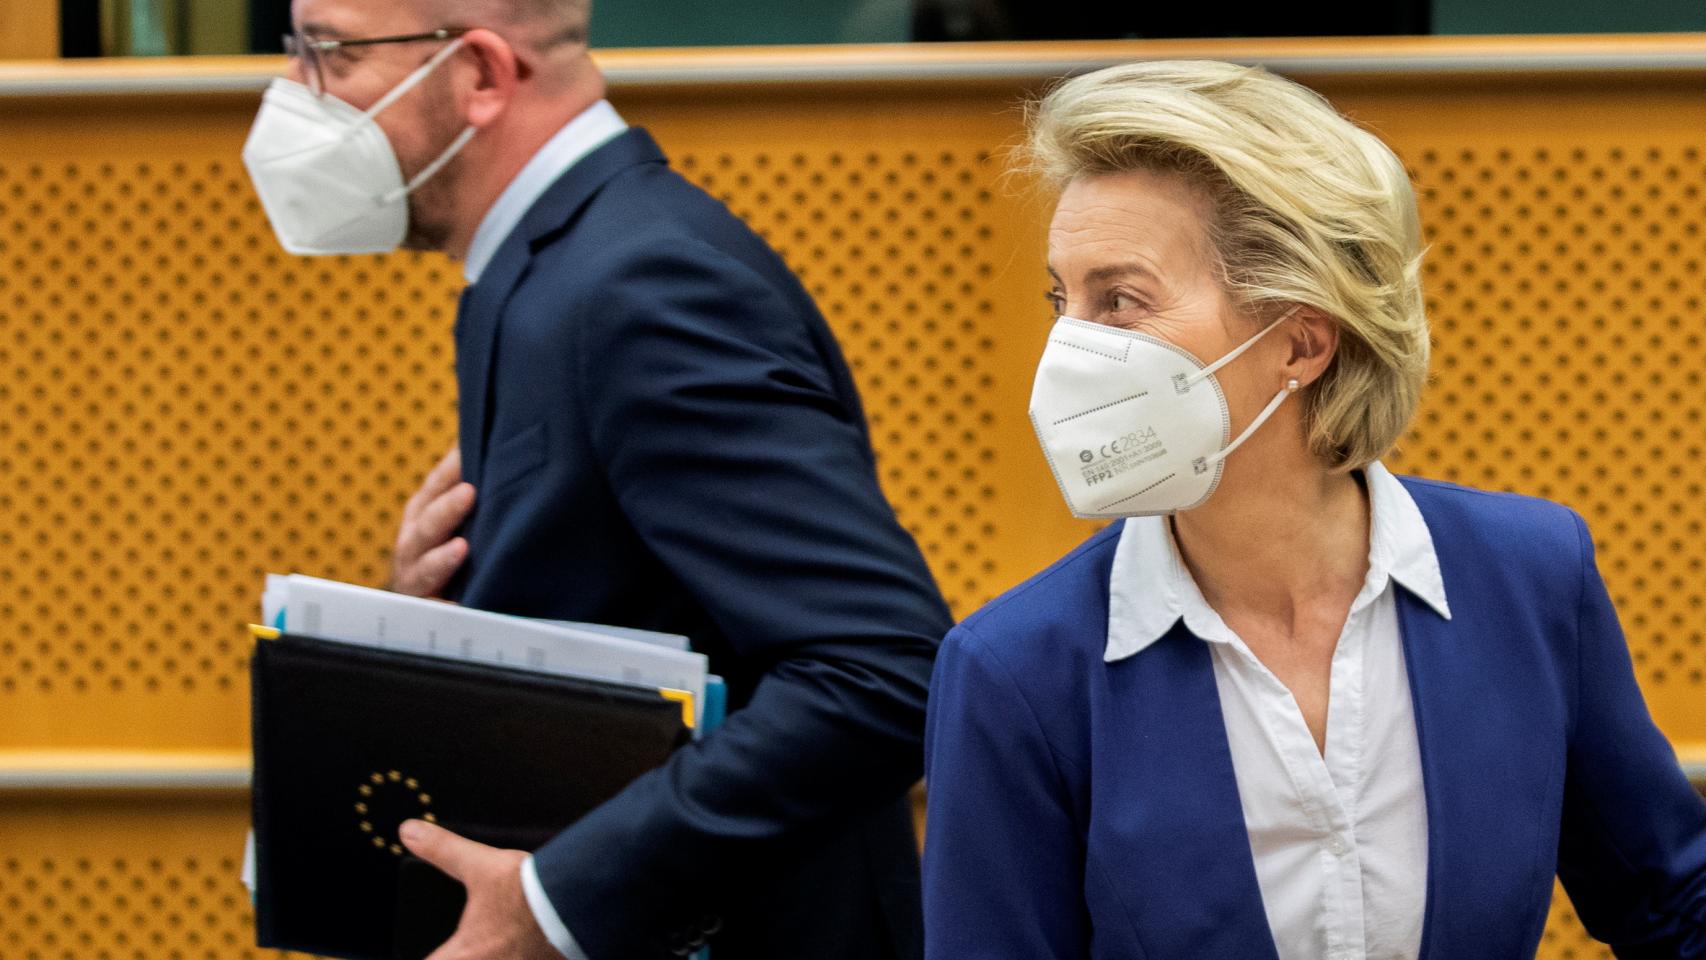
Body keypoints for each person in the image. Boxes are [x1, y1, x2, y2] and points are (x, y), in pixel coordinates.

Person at [920, 60, 1706, 959]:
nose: (1070, 348)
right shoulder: (1015, 671)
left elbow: (1674, 903)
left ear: (1300, 340)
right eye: (1066, 301)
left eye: (1120, 301)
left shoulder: (1530, 579)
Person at [240, 2, 952, 958]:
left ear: (481, 75)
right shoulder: (551, 269)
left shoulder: (642, 282)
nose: (293, 89)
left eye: (329, 52)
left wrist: (552, 901)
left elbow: (883, 671)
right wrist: (431, 621)